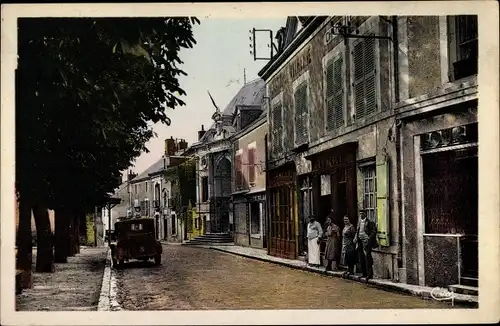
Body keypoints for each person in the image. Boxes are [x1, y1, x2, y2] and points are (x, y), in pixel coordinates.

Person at [354, 209, 378, 280]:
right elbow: (357, 231)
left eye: (362, 214)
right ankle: (363, 273)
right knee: (361, 258)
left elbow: (374, 231)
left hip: (366, 242)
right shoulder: (359, 222)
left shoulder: (369, 222)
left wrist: (369, 239)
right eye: (360, 214)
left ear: (365, 214)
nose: (361, 215)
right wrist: (356, 237)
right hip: (360, 242)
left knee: (368, 258)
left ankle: (369, 274)